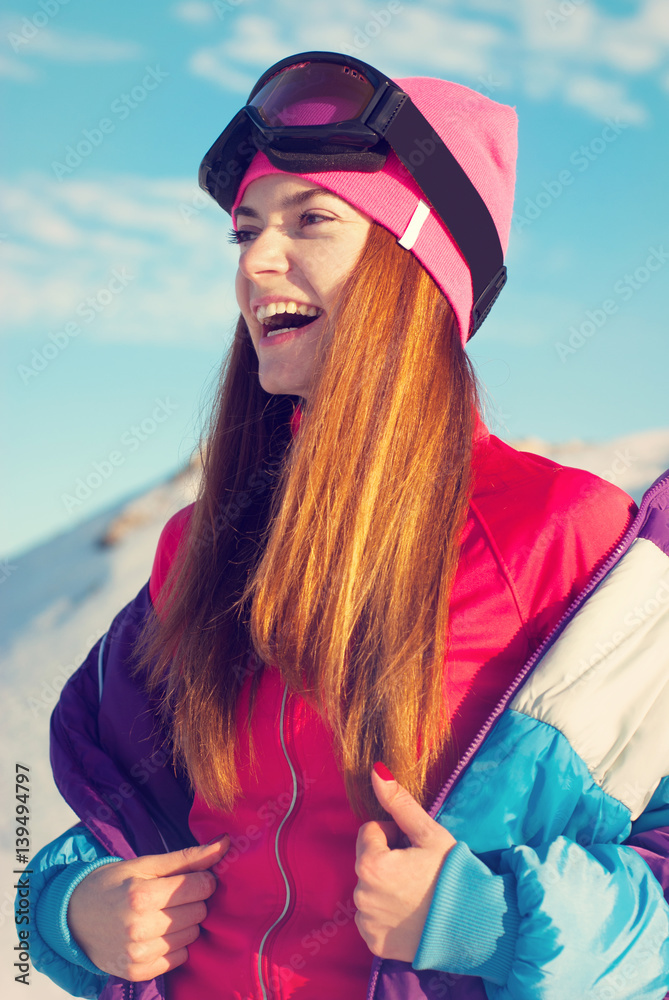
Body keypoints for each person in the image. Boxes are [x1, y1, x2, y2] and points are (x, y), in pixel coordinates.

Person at [20, 51, 669, 1000]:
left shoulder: (563, 537)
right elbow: (130, 810)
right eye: (244, 232)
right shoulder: (201, 544)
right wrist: (66, 909)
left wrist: (490, 924)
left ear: (417, 268)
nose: (256, 262)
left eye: (309, 220)